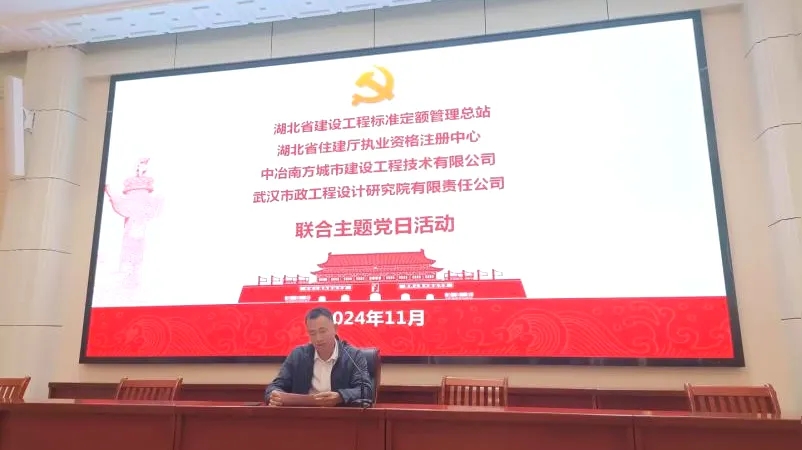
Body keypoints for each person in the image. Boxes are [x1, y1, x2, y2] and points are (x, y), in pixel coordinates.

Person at [265, 307, 374, 407]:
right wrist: (274, 397)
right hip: (303, 416)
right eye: (312, 333)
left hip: (339, 417)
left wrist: (340, 396)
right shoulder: (298, 355)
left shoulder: (353, 356)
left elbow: (366, 390)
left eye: (322, 331)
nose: (318, 338)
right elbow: (274, 387)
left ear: (335, 328)